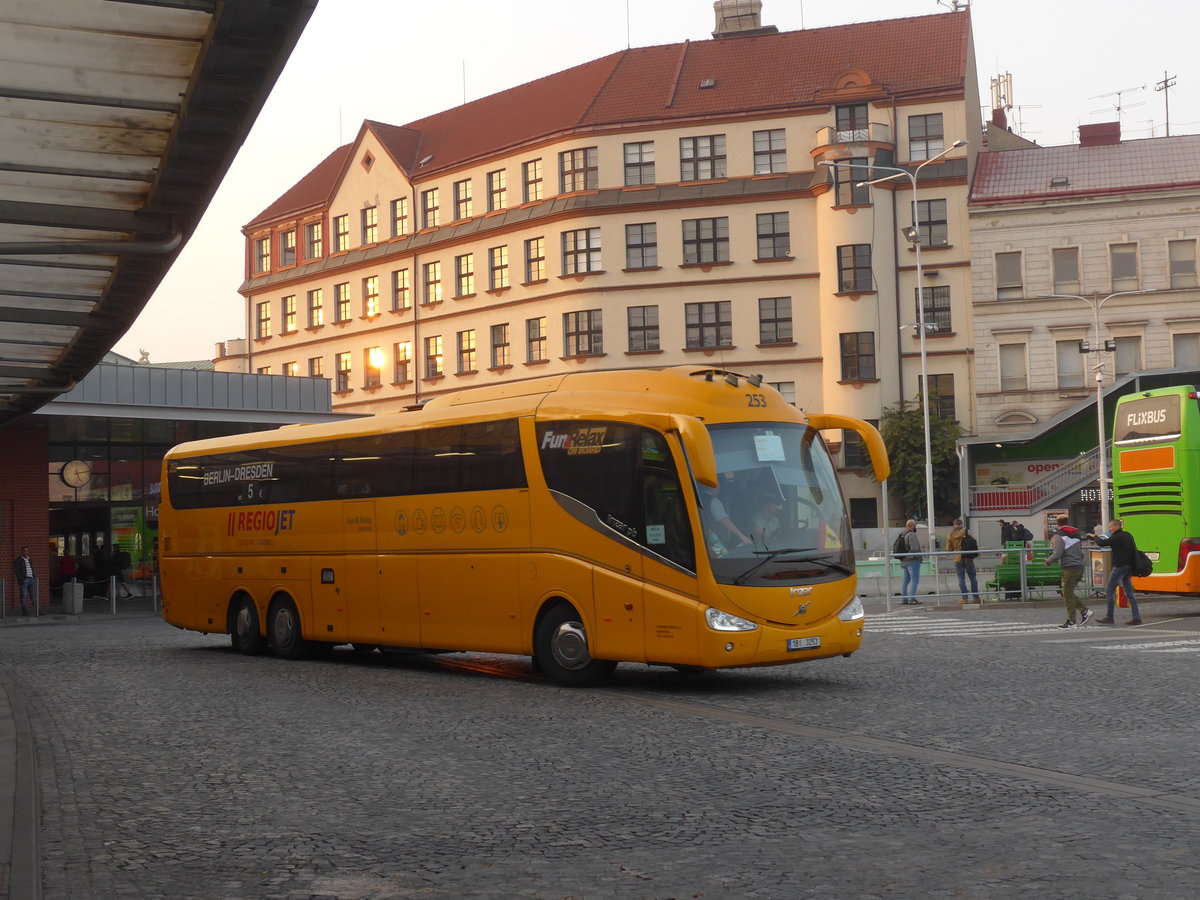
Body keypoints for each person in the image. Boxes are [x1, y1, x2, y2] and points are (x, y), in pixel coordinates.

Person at [1088, 518, 1142, 625]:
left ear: (1117, 526)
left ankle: (1110, 617)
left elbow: (1102, 543)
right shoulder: (1128, 535)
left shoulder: (1117, 537)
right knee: (1129, 593)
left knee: (1109, 590)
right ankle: (1137, 617)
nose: (1110, 528)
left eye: (1111, 526)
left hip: (1119, 566)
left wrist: (1095, 536)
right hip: (1129, 567)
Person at [1045, 515, 1092, 629]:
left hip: (1069, 568)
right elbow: (1080, 553)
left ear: (1058, 523)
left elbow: (1057, 554)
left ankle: (1073, 621)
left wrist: (1047, 561)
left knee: (1066, 593)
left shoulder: (1059, 537)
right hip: (1079, 566)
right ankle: (1083, 612)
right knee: (1067, 592)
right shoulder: (1076, 536)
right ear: (1067, 521)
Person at [702, 482, 751, 555]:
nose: (720, 487)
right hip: (711, 539)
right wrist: (741, 535)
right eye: (717, 484)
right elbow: (724, 520)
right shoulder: (714, 501)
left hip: (702, 539)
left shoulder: (697, 498)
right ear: (710, 486)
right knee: (723, 555)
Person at [946, 517, 980, 604]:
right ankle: (976, 598)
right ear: (961, 524)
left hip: (958, 558)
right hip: (968, 557)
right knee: (973, 577)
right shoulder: (966, 531)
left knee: (961, 579)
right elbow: (973, 542)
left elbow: (948, 549)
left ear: (954, 525)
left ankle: (964, 599)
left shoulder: (950, 535)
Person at [897, 519, 923, 605]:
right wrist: (919, 557)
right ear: (912, 526)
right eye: (915, 526)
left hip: (904, 561)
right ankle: (911, 598)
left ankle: (904, 598)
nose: (916, 527)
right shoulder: (911, 535)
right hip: (912, 561)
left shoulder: (902, 534)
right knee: (914, 580)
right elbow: (915, 549)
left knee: (905, 581)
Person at [11, 546, 36, 615]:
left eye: (27, 551)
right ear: (21, 551)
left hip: (31, 579)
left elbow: (31, 568)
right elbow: (16, 571)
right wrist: (22, 579)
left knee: (33, 595)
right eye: (24, 551)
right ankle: (24, 611)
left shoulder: (29, 559)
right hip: (24, 580)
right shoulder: (18, 560)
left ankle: (36, 610)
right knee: (23, 596)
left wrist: (34, 576)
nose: (26, 552)